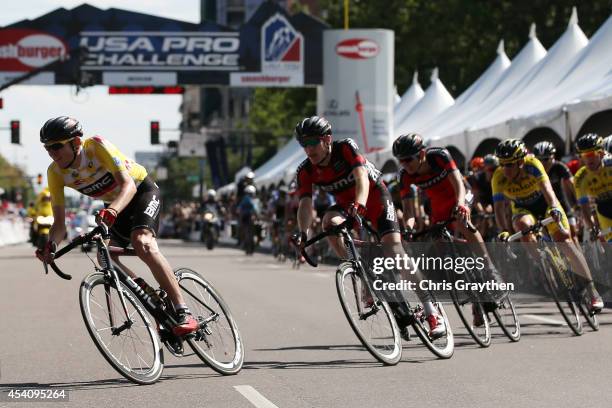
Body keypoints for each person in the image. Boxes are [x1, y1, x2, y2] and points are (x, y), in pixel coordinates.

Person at [35, 116, 198, 337]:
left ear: (75, 143)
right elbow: (60, 224)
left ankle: (183, 310)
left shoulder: (96, 146)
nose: (52, 152)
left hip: (140, 191)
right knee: (105, 258)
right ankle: (151, 298)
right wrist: (51, 245)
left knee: (143, 244)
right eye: (47, 148)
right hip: (114, 205)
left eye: (56, 146)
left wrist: (112, 211)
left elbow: (128, 186)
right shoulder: (55, 173)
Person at [292, 116, 445, 338]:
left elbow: (361, 177)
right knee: (329, 224)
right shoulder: (305, 170)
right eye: (303, 145)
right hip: (347, 205)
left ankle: (432, 311)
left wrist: (361, 204)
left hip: (373, 197)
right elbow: (305, 204)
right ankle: (364, 275)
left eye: (312, 143)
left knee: (394, 250)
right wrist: (303, 233)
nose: (308, 149)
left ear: (327, 139)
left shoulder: (345, 148)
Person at [393, 134, 504, 326]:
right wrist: (408, 230)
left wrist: (462, 205)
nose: (404, 164)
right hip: (439, 205)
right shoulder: (404, 175)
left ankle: (489, 268)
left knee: (462, 222)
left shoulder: (439, 156)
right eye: (400, 161)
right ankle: (474, 297)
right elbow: (409, 211)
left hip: (460, 194)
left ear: (421, 154)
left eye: (408, 159)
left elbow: (459, 184)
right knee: (439, 241)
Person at [492, 138, 603, 312]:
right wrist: (503, 231)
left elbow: (548, 190)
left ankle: (592, 290)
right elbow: (498, 208)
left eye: (509, 165)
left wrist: (553, 208)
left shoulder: (533, 164)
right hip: (522, 208)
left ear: (521, 162)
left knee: (565, 241)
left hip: (545, 204)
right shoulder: (498, 177)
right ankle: (542, 264)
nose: (504, 169)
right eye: (502, 164)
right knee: (522, 226)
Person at [532, 141, 579, 242]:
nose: (543, 163)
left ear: (553, 157)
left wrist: (578, 205)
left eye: (546, 159)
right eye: (539, 160)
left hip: (562, 205)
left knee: (573, 235)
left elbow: (572, 185)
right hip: (543, 208)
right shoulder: (531, 172)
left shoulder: (559, 167)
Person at [573, 133, 612, 243]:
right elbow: (584, 208)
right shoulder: (580, 178)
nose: (588, 159)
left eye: (591, 154)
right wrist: (591, 228)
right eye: (583, 155)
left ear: (601, 153)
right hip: (604, 210)